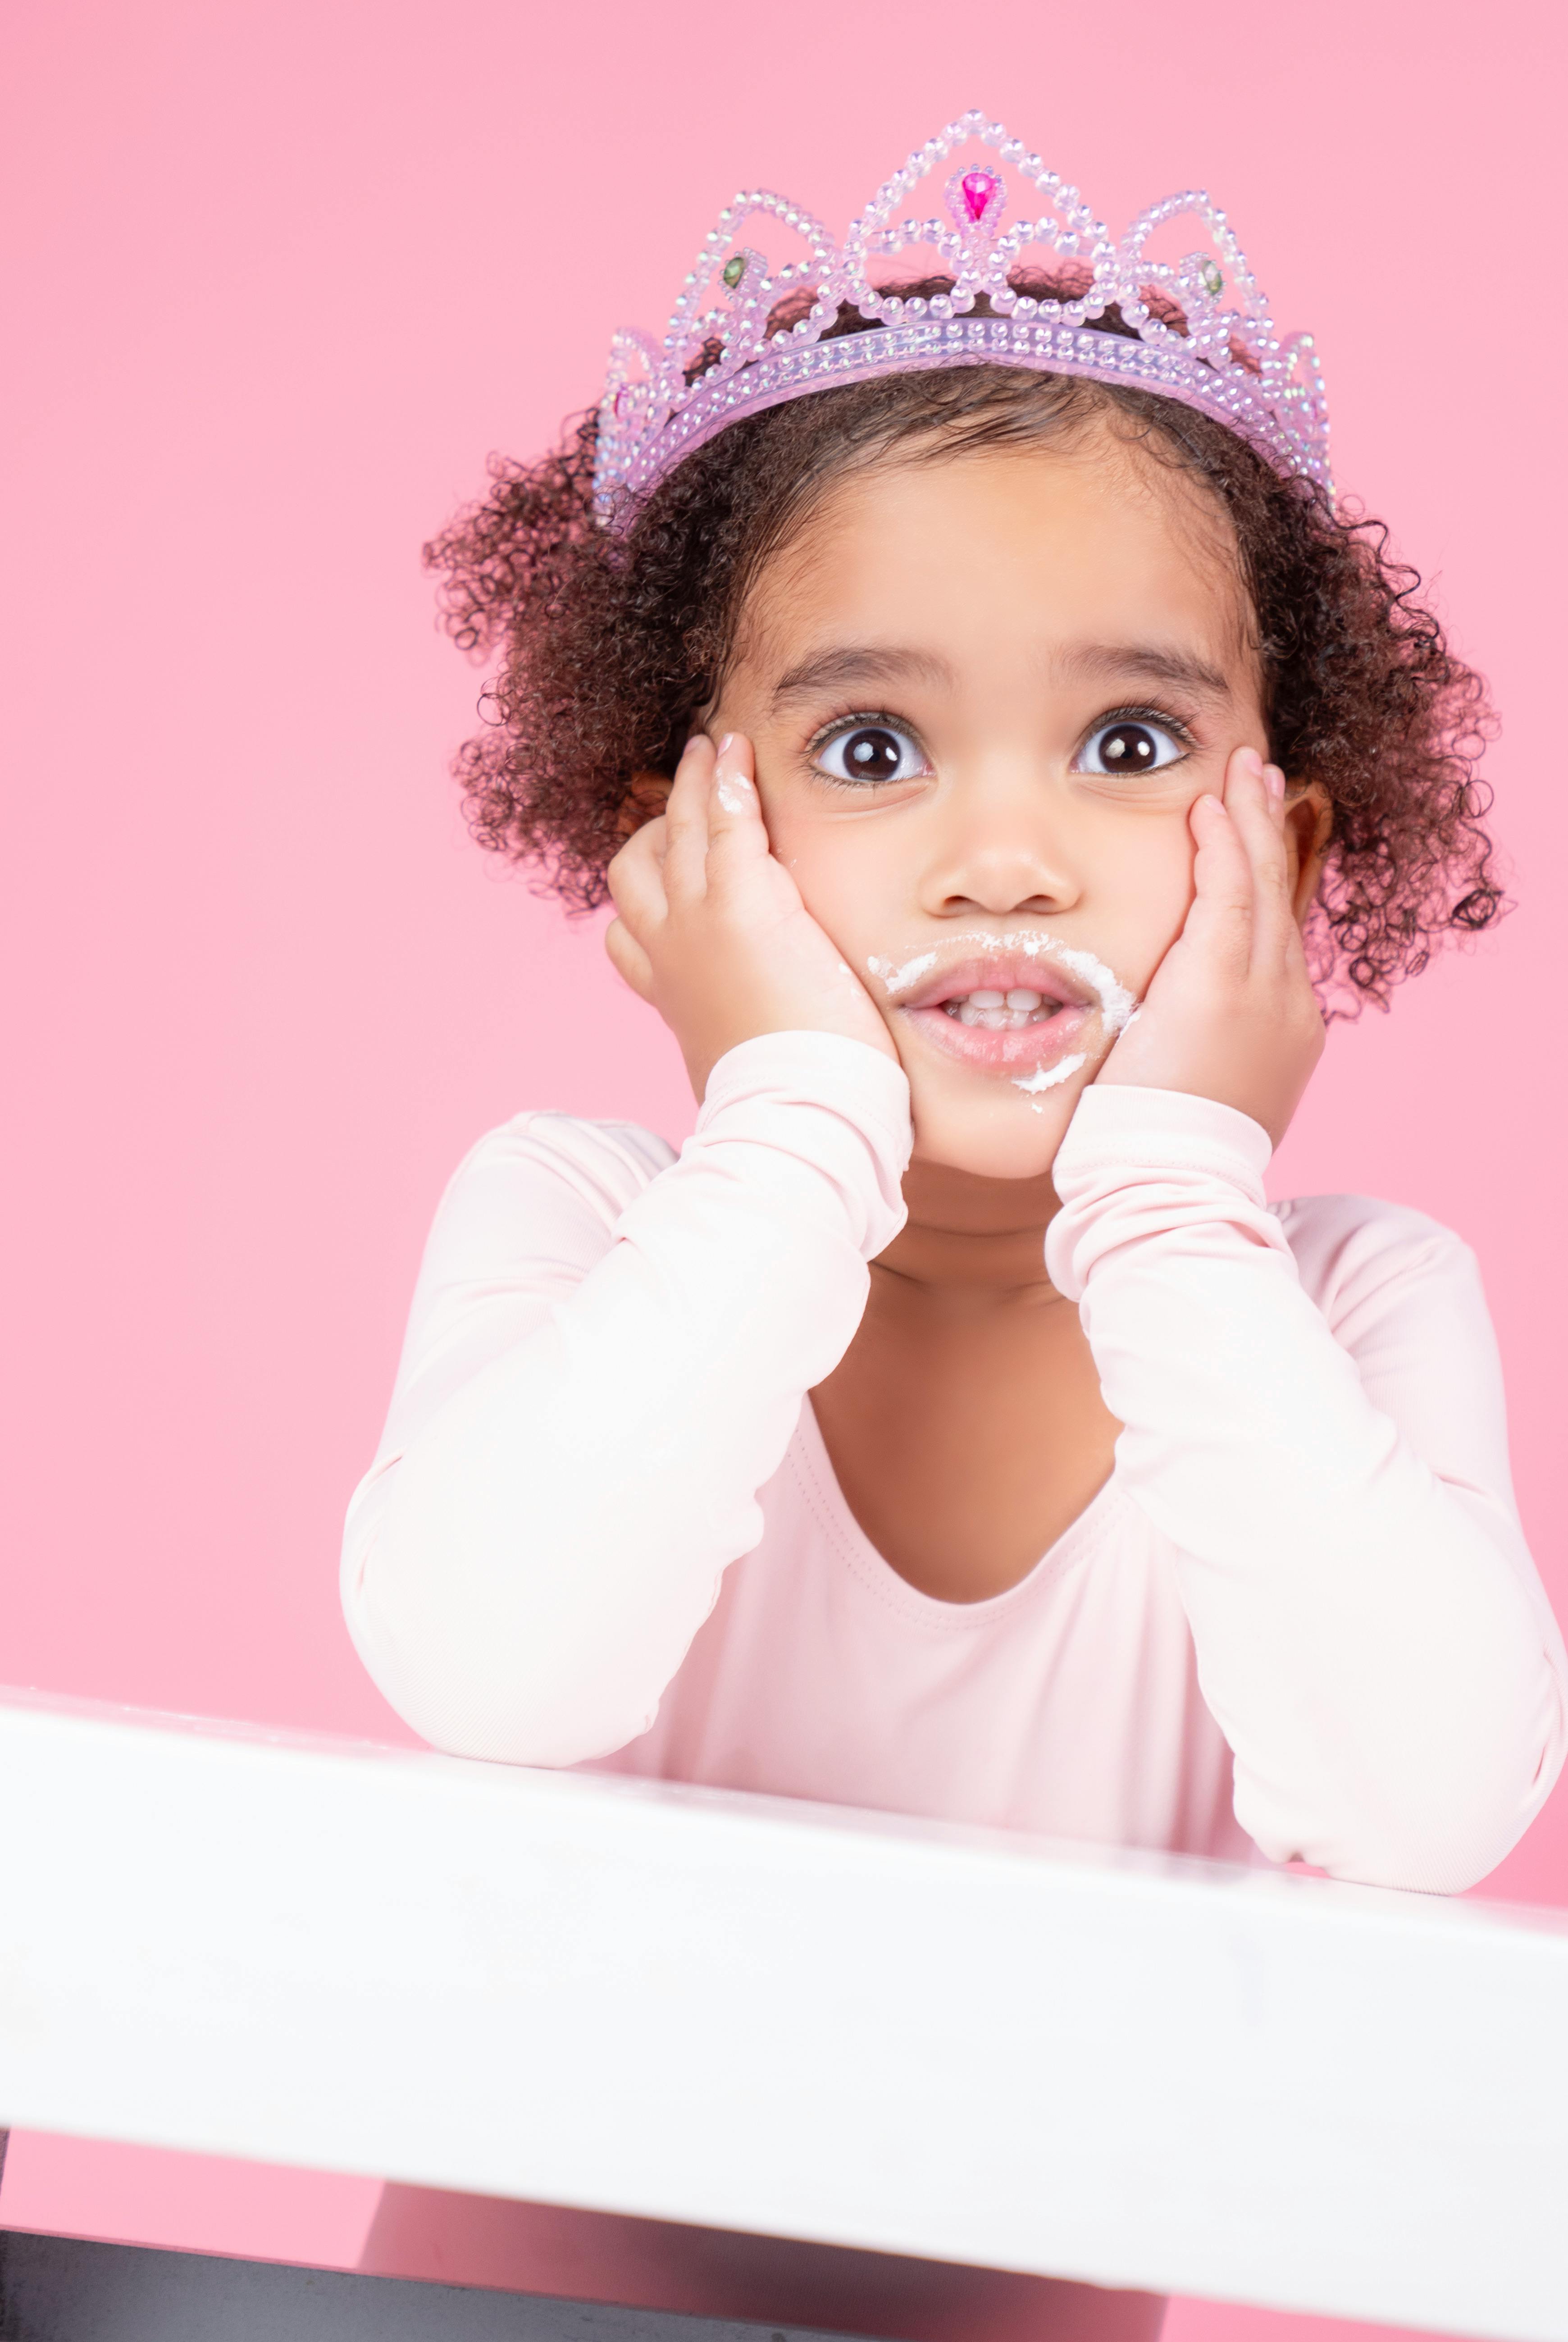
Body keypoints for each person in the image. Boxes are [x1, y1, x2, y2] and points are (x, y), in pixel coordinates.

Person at [342, 115, 1567, 2337]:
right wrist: (790, 1112)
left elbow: (1427, 1805)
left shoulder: (1347, 1306)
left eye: (1124, 743)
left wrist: (1181, 1199)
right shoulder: (592, 1216)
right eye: (875, 753)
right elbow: (493, 1664)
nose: (1007, 859)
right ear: (682, 838)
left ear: (1289, 841)